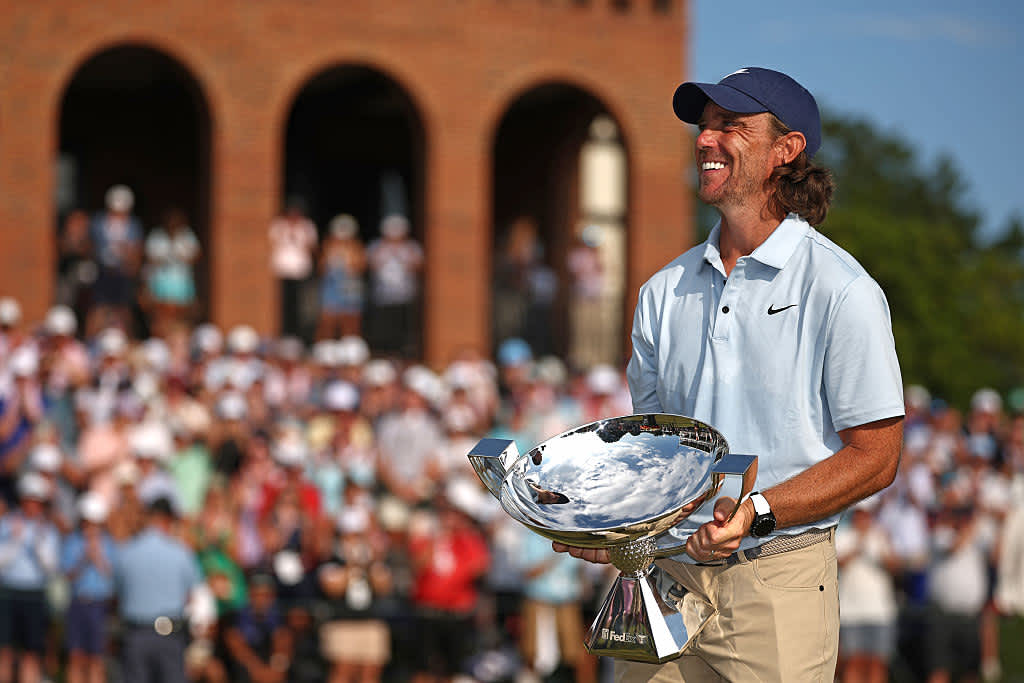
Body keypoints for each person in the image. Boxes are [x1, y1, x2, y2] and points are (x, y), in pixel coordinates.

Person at [553, 67, 905, 681]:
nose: (705, 139)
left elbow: (877, 454)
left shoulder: (842, 289)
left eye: (731, 126)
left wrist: (757, 512)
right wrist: (610, 525)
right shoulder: (662, 291)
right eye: (705, 124)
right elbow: (657, 453)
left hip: (778, 580)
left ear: (785, 151)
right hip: (663, 575)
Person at [112, 496, 203, 683]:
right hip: (170, 636)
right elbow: (192, 596)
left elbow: (118, 594)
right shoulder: (181, 552)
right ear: (167, 519)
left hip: (136, 634)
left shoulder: (127, 552)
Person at [316, 214, 367, 341]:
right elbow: (321, 267)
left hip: (350, 285)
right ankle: (326, 343)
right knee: (328, 317)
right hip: (332, 285)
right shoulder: (328, 245)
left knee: (351, 316)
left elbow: (361, 266)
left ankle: (350, 343)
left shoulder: (356, 246)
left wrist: (349, 260)